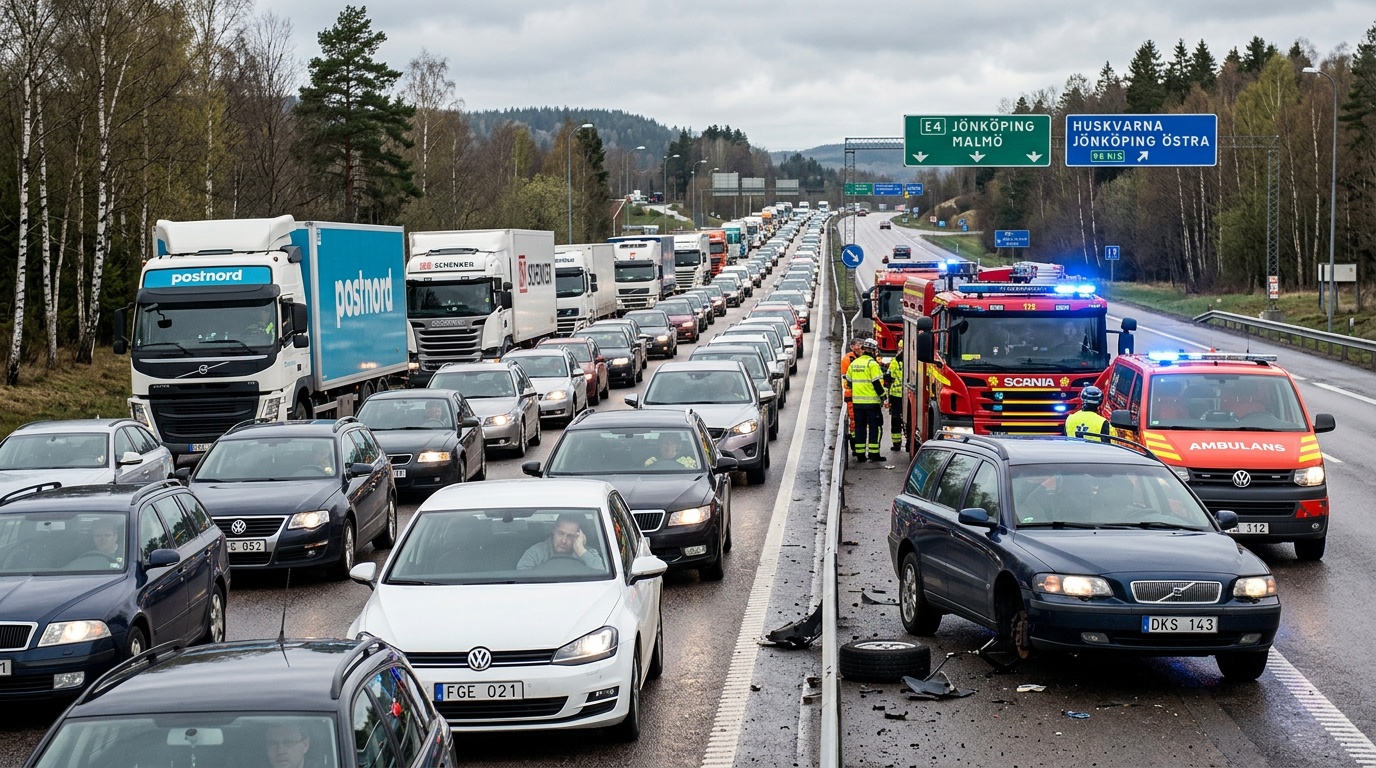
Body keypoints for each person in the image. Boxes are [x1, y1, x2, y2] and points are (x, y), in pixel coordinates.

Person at [517, 513, 605, 570]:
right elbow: (521, 576)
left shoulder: (587, 553)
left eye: (570, 536)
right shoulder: (537, 552)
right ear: (554, 531)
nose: (564, 540)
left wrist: (581, 551)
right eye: (560, 533)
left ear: (579, 537)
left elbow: (602, 575)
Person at [846, 338, 886, 462]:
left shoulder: (854, 363)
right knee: (875, 427)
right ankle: (874, 454)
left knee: (859, 428)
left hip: (857, 403)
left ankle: (860, 455)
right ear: (874, 351)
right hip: (872, 403)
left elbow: (849, 382)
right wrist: (883, 396)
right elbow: (877, 383)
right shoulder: (872, 364)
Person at [839, 338, 864, 447]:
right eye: (857, 346)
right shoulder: (847, 359)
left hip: (863, 394)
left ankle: (860, 442)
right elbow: (846, 379)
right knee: (853, 419)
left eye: (861, 346)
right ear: (852, 347)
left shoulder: (865, 358)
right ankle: (854, 442)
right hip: (852, 394)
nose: (859, 348)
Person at [885, 340, 905, 453]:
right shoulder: (914, 361)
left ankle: (896, 444)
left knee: (896, 418)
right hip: (909, 394)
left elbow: (889, 376)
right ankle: (908, 444)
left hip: (896, 395)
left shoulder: (894, 362)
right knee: (908, 420)